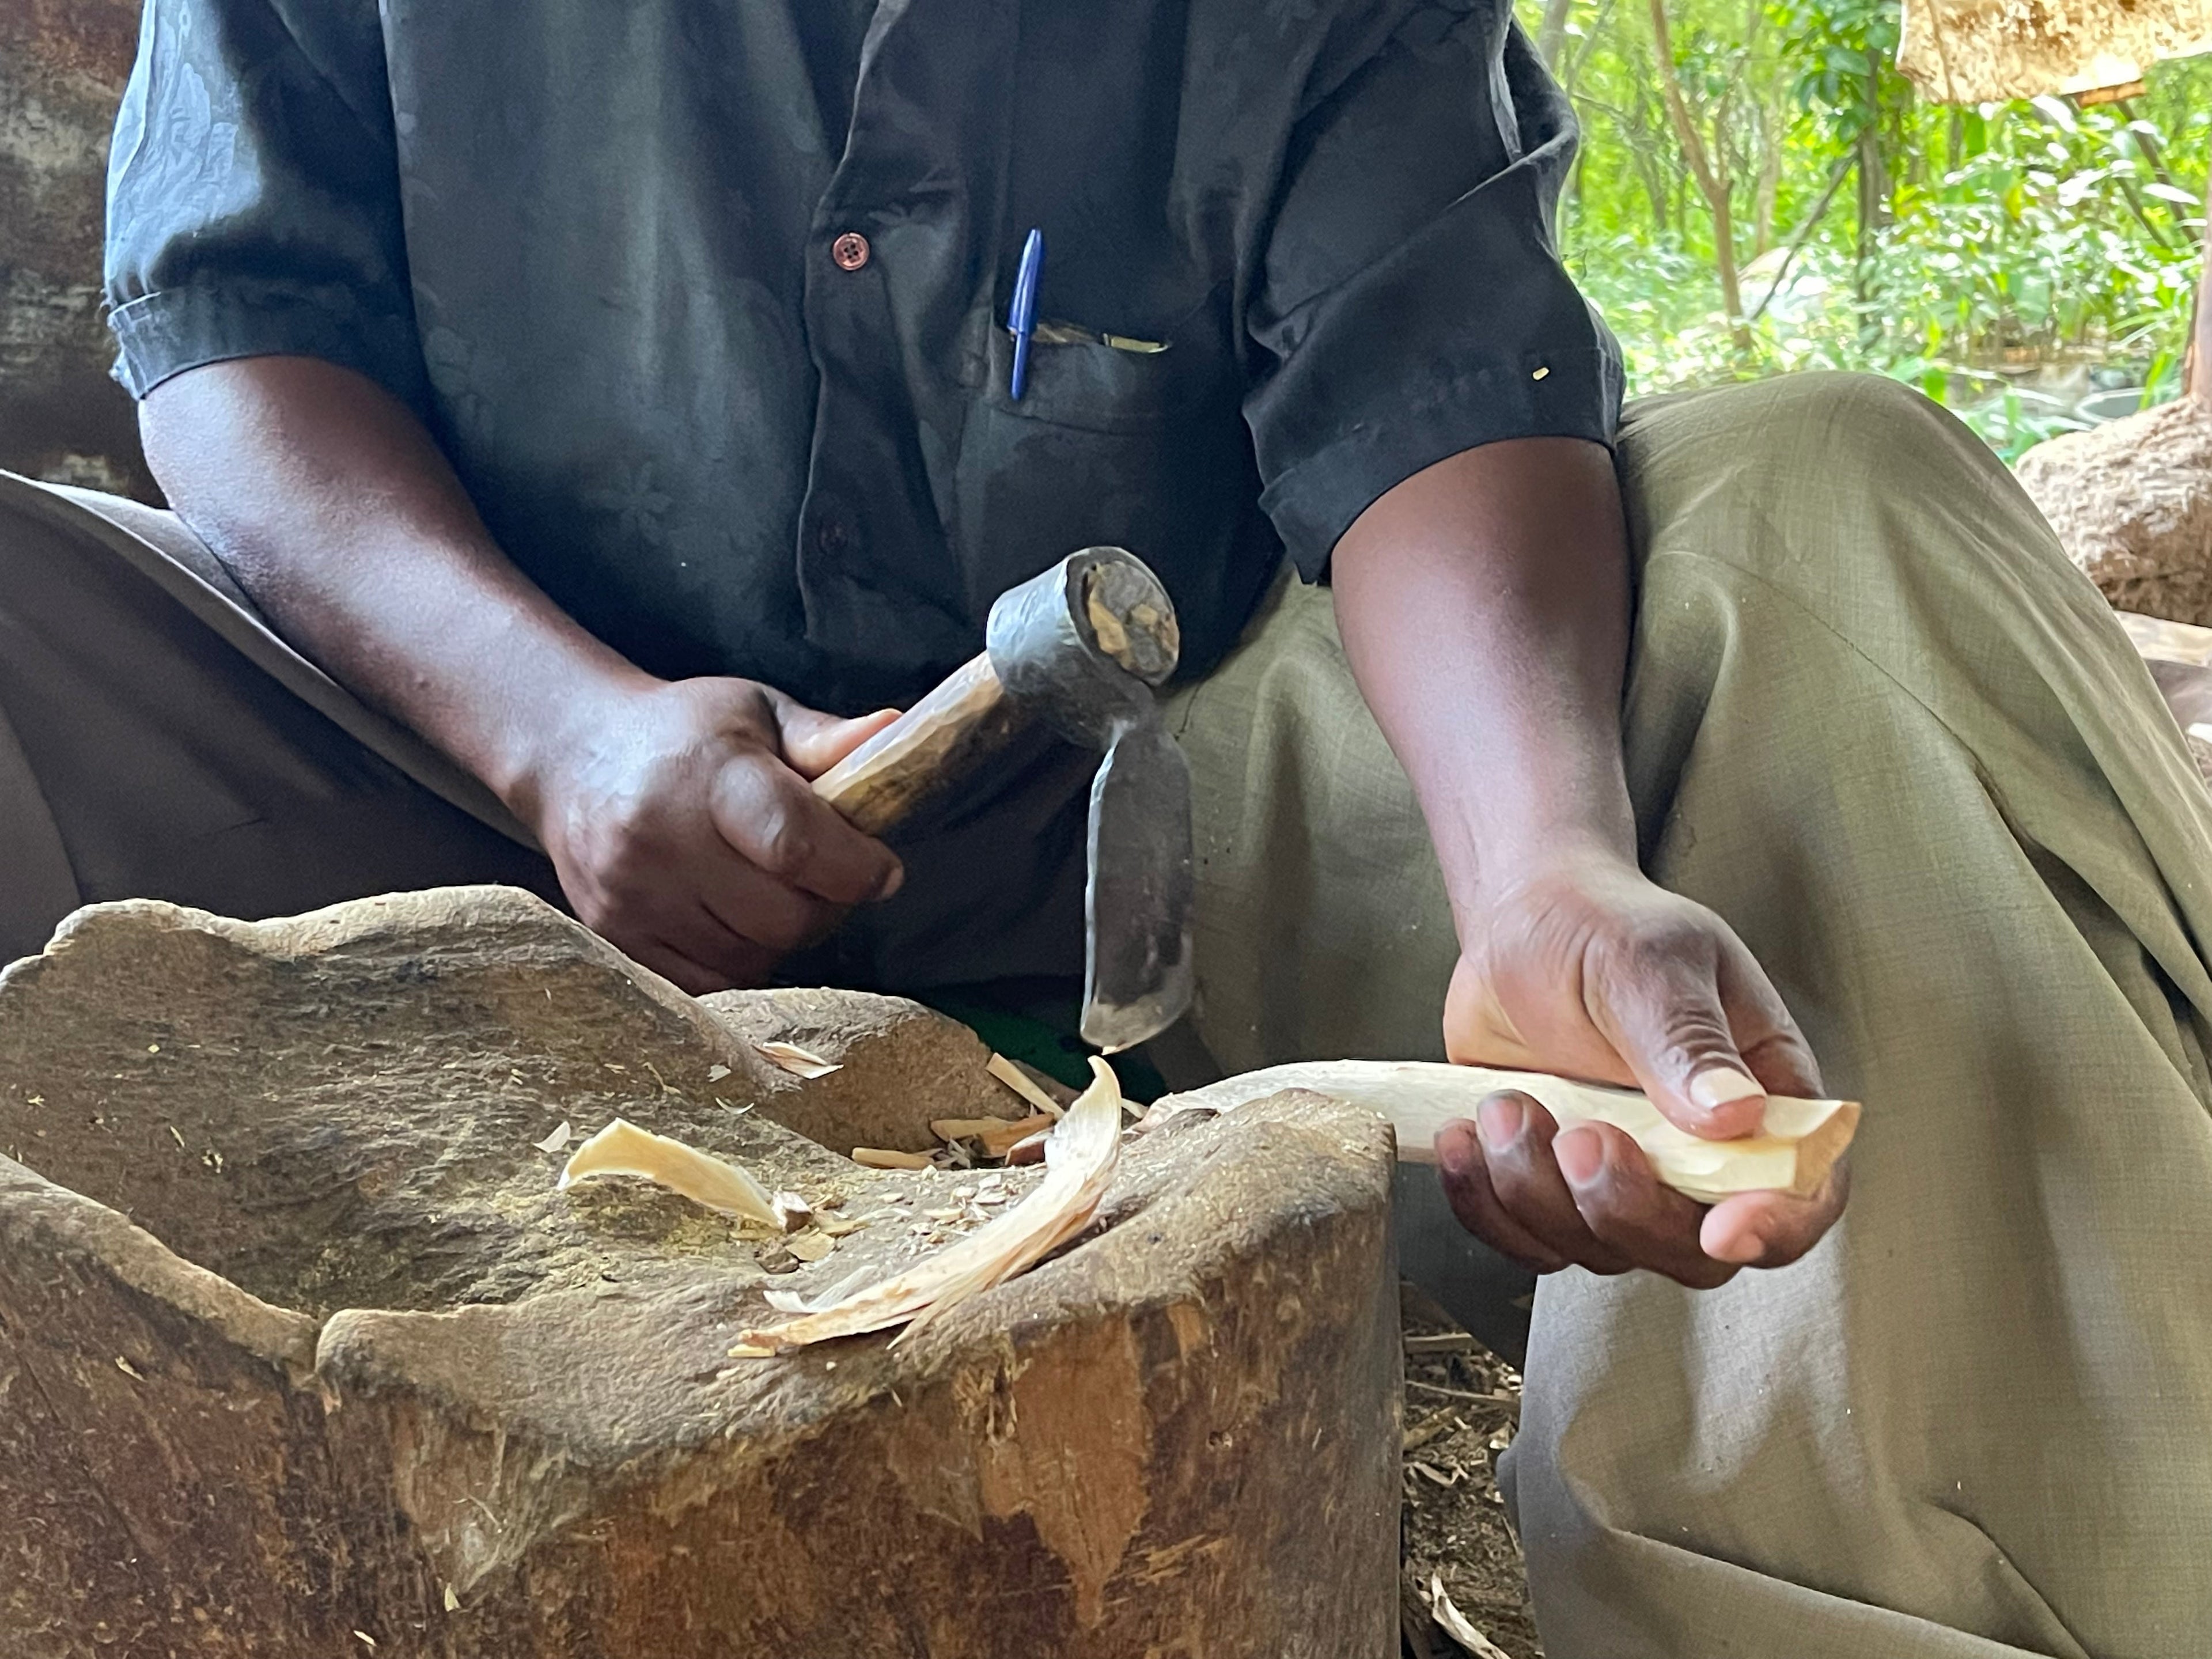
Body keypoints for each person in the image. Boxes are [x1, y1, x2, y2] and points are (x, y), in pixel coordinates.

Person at [2, 0, 2208, 1652]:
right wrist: (562, 737)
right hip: (440, 775)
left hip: (1160, 832)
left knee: (1830, 497)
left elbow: (1435, 384)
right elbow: (233, 338)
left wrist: (1541, 862)